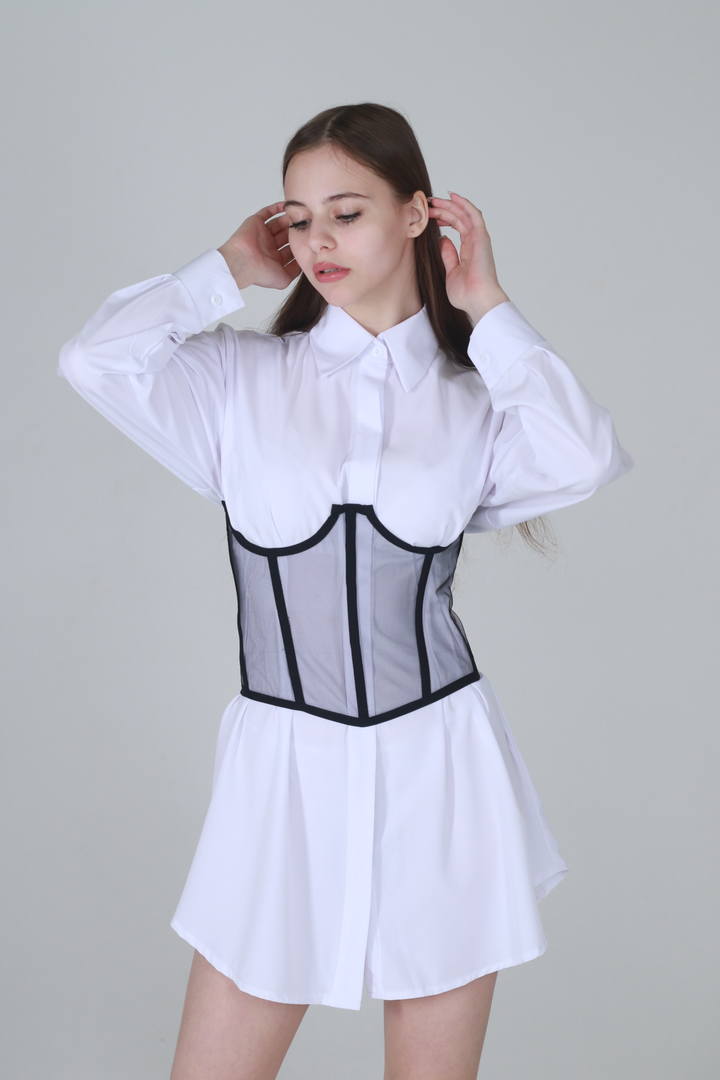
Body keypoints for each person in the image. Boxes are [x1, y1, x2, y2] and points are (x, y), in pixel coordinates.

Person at [57, 102, 634, 1080]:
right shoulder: (238, 383)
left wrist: (489, 307)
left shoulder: (473, 399)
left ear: (417, 213)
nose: (318, 240)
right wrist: (227, 270)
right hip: (280, 775)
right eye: (299, 218)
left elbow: (585, 456)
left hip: (441, 769)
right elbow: (93, 360)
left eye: (347, 213)